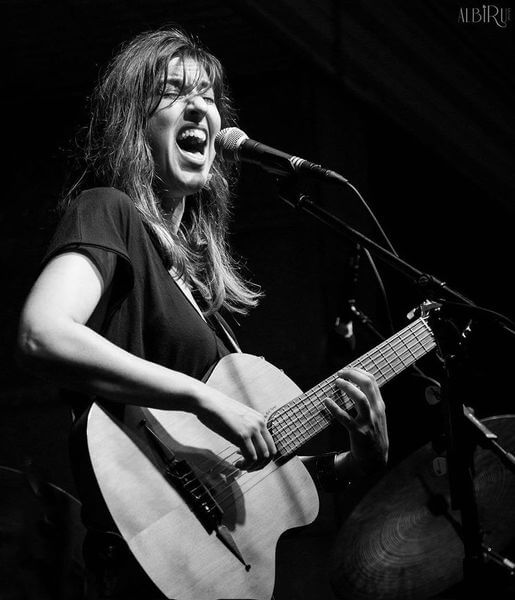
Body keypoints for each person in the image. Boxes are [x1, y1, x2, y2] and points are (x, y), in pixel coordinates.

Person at [16, 26, 389, 599]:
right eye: (172, 91)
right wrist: (204, 397)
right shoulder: (107, 210)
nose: (199, 107)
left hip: (194, 562)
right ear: (134, 124)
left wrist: (357, 459)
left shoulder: (194, 294)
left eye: (209, 96)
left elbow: (263, 486)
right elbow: (43, 333)